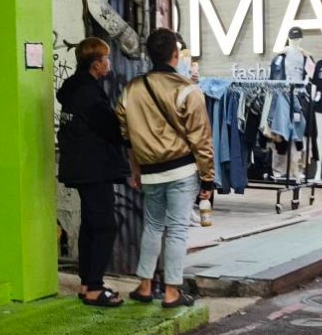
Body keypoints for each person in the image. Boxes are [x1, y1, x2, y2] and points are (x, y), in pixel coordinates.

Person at [117, 29, 215, 310]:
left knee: (152, 226)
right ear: (175, 54)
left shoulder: (132, 89)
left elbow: (126, 135)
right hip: (182, 171)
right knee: (177, 230)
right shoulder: (187, 90)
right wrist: (208, 179)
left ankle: (145, 285)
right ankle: (172, 291)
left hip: (150, 171)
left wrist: (136, 168)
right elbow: (201, 140)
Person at [58, 38, 130, 308]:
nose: (109, 63)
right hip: (93, 168)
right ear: (96, 64)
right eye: (106, 59)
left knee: (90, 224)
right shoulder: (89, 93)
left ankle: (87, 284)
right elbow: (111, 129)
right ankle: (95, 287)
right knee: (105, 226)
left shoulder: (73, 89)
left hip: (80, 167)